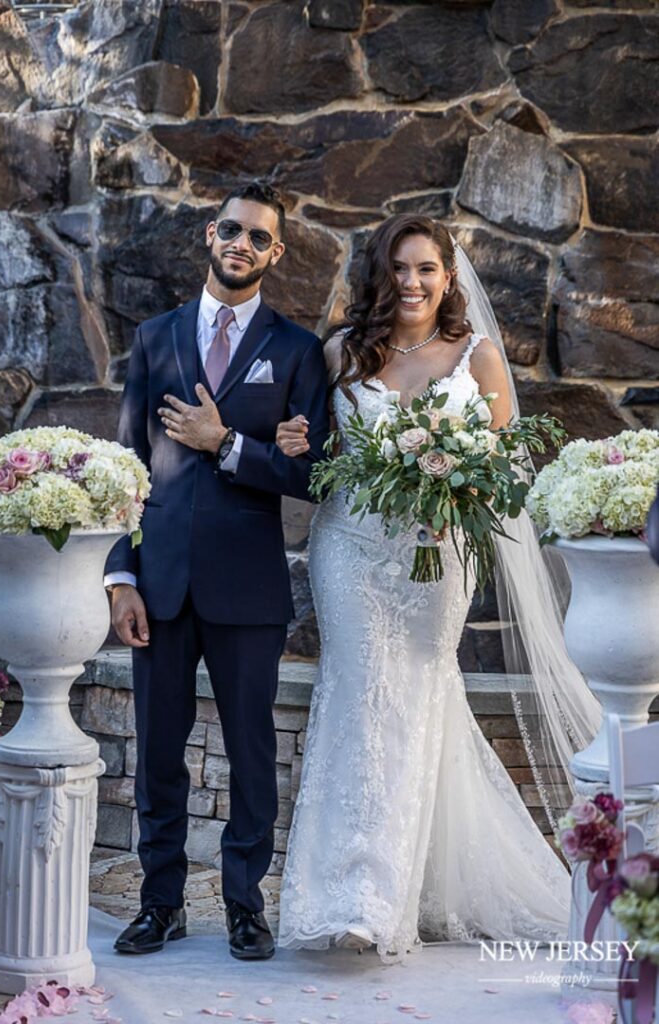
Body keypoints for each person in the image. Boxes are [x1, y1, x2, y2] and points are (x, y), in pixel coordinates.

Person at [273, 214, 602, 961]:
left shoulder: (477, 358)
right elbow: (309, 449)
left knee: (417, 697)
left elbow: (506, 468)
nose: (412, 282)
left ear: (448, 277)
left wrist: (454, 492)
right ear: (379, 275)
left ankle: (398, 892)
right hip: (350, 548)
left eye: (426, 268)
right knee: (358, 699)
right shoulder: (340, 353)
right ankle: (351, 898)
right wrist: (291, 441)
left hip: (435, 557)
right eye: (398, 268)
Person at [103, 182, 330, 960]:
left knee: (252, 754)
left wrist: (225, 442)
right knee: (158, 754)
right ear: (210, 234)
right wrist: (119, 577)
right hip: (158, 580)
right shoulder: (155, 336)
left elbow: (312, 475)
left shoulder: (297, 351)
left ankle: (243, 906)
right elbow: (123, 466)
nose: (241, 244)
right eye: (230, 229)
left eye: (257, 237)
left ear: (275, 253)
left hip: (247, 583)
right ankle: (159, 903)